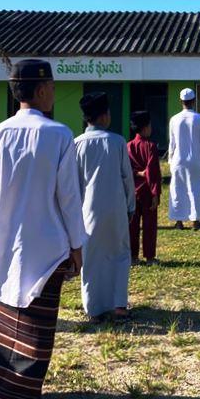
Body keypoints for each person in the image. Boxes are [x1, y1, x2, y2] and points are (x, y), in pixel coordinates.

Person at [0, 59, 86, 399]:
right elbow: (69, 197)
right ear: (43, 89)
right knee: (36, 326)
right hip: (47, 246)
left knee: (1, 319)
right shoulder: (59, 135)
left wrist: (7, 219)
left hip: (4, 243)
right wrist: (77, 245)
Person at [75, 92, 136, 321]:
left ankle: (93, 309)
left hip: (87, 210)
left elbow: (75, 183)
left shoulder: (77, 144)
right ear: (104, 116)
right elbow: (127, 178)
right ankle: (118, 305)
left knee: (91, 258)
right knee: (119, 254)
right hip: (116, 208)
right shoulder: (118, 141)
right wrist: (130, 205)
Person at [168, 88, 200, 230]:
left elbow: (172, 143)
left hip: (178, 161)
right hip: (195, 161)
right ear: (194, 101)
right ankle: (195, 221)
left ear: (181, 101)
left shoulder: (174, 119)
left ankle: (179, 222)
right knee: (195, 190)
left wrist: (170, 160)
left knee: (177, 189)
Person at [127, 110, 162, 265]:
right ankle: (149, 257)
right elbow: (153, 171)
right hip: (147, 191)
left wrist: (137, 173)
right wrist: (156, 193)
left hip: (132, 192)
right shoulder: (150, 146)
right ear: (145, 127)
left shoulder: (128, 146)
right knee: (149, 226)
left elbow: (126, 169)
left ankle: (133, 257)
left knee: (132, 226)